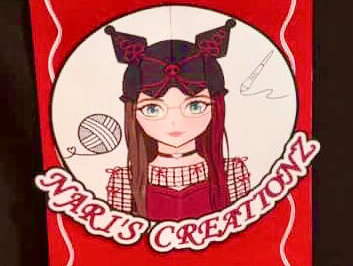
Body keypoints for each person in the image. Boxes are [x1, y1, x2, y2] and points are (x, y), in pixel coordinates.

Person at [105, 19, 250, 220]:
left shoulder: (230, 172)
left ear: (216, 106)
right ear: (133, 112)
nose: (175, 122)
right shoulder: (125, 181)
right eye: (153, 109)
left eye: (195, 106)